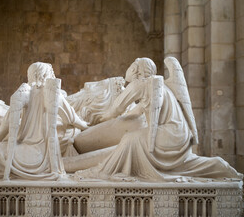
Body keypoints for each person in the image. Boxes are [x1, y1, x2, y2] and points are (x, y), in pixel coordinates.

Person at [75, 57, 243, 182]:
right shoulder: (159, 85)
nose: (129, 66)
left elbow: (115, 109)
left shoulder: (140, 84)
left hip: (167, 135)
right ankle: (219, 166)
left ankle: (104, 172)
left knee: (130, 140)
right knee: (185, 164)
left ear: (137, 70)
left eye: (133, 64)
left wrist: (89, 124)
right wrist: (122, 118)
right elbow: (136, 112)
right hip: (180, 136)